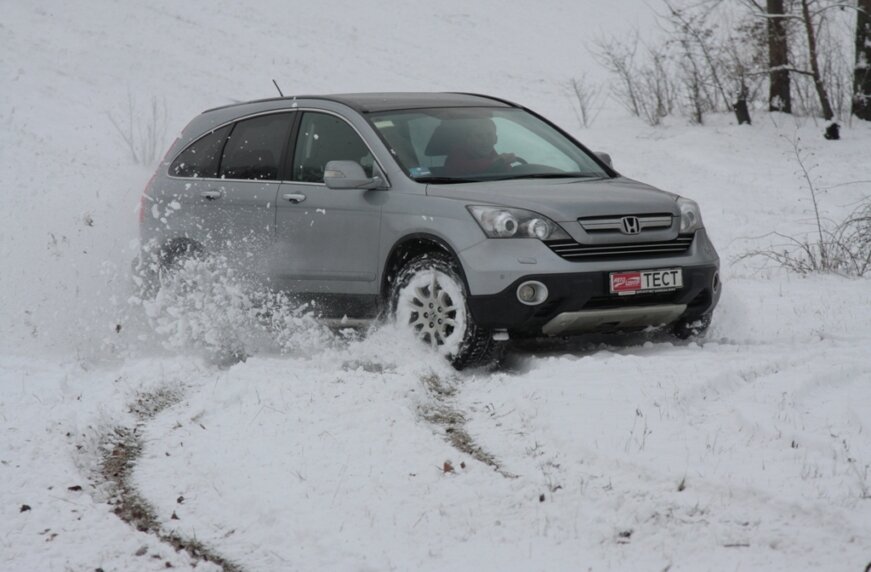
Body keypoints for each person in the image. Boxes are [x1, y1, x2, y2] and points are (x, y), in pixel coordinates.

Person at [443, 118, 518, 176]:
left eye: (489, 135)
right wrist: (493, 162)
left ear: (496, 139)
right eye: (479, 136)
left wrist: (506, 163)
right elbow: (463, 167)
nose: (486, 141)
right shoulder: (457, 155)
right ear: (469, 140)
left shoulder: (492, 154)